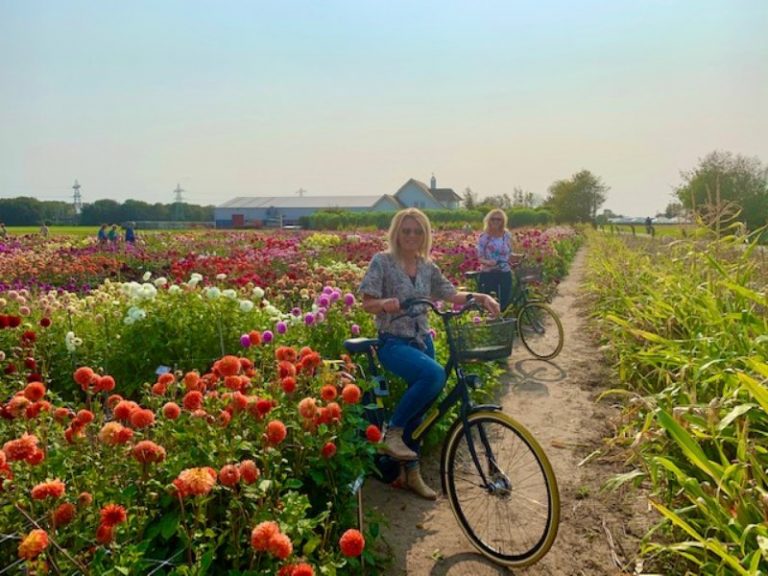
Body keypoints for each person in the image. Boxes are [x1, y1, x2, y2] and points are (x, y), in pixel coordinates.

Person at [359, 208, 500, 500]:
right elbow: (367, 302)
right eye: (406, 230)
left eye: (417, 231)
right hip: (393, 342)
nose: (411, 236)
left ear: (425, 235)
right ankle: (392, 434)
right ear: (396, 232)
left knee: (421, 411)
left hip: (423, 341)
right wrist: (385, 303)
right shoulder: (382, 262)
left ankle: (410, 473)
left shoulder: (427, 267)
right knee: (434, 374)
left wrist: (481, 297)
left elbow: (450, 294)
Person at [475, 209, 515, 310]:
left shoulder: (506, 235)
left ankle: (503, 322)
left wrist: (519, 256)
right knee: (490, 303)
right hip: (489, 273)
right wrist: (488, 262)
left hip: (504, 271)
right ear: (489, 220)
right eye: (493, 219)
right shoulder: (484, 237)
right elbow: (479, 258)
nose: (496, 222)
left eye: (499, 219)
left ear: (503, 221)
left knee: (504, 301)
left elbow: (509, 253)